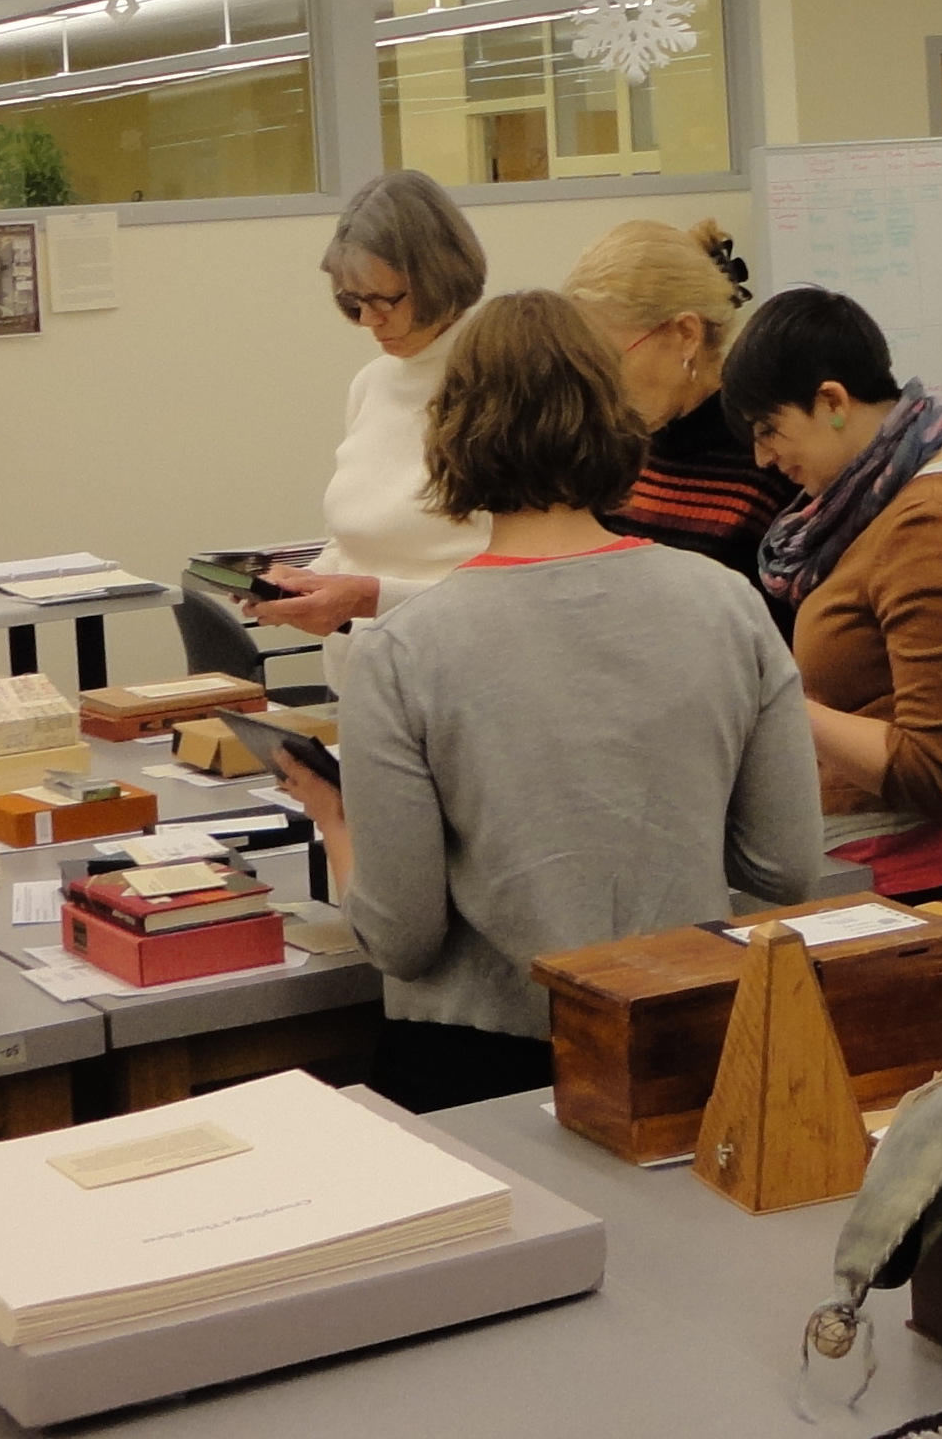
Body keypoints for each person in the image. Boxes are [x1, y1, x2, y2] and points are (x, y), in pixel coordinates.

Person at [272, 292, 819, 1111]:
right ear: (614, 419)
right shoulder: (729, 606)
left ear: (450, 435)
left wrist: (336, 819)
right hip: (689, 1051)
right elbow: (784, 866)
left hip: (480, 1074)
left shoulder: (403, 649)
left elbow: (401, 938)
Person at [725, 285, 942, 906]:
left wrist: (770, 698)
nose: (763, 457)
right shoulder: (904, 492)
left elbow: (934, 775)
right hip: (920, 868)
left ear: (831, 400)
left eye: (770, 429)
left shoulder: (930, 524)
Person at [252, 170, 492, 633]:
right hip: (362, 676)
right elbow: (356, 545)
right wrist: (307, 582)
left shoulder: (503, 379)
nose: (367, 320)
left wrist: (368, 598)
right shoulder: (371, 384)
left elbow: (521, 583)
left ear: (439, 276)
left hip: (454, 667)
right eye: (352, 301)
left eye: (384, 300)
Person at [564, 217, 796, 602]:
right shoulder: (609, 452)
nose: (600, 386)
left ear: (686, 334)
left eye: (609, 361)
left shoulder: (773, 457)